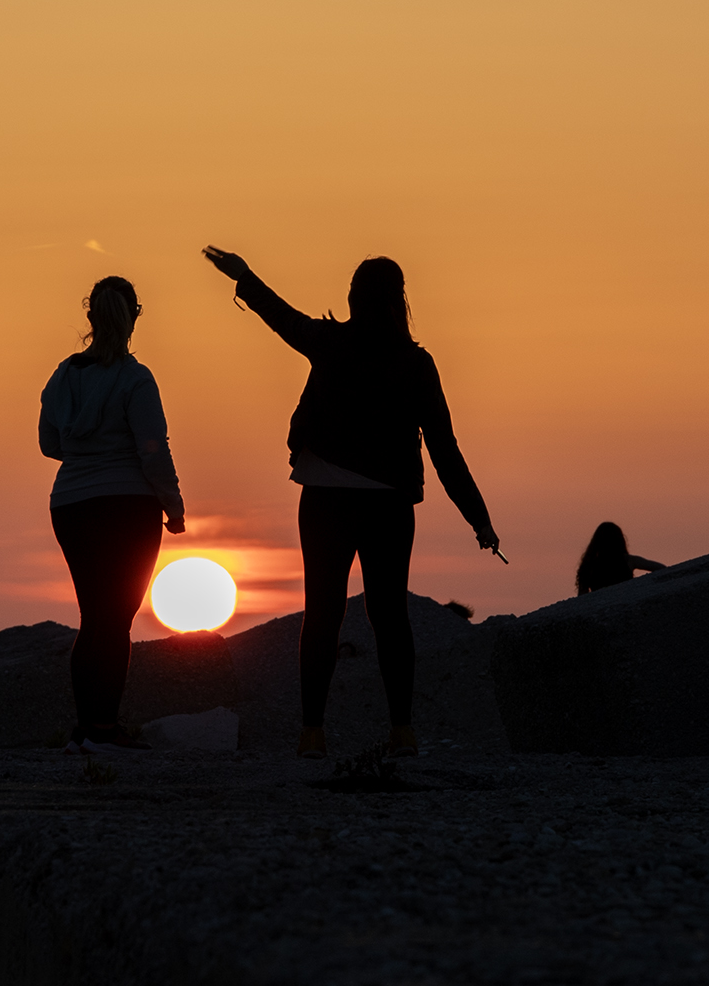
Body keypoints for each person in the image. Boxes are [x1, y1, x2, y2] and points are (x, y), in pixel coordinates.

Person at [203, 247, 499, 759]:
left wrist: (245, 276)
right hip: (388, 505)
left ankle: (312, 734)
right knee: (390, 616)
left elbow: (283, 319)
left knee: (322, 614)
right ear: (400, 301)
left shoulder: (331, 342)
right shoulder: (415, 364)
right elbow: (445, 450)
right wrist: (479, 519)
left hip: (324, 497)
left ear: (353, 297)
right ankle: (402, 731)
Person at [39, 275, 186, 754]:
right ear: (135, 317)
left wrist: (87, 452)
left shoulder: (63, 375)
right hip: (127, 506)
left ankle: (87, 727)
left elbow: (49, 443)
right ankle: (105, 729)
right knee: (116, 619)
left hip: (72, 504)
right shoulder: (135, 378)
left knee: (93, 616)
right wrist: (174, 504)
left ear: (90, 317)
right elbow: (152, 449)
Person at [575, 522, 665, 594]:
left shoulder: (589, 565)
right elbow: (661, 568)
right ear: (620, 540)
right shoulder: (629, 560)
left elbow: (582, 598)